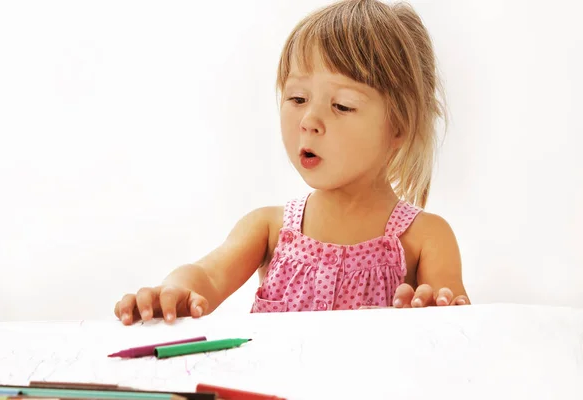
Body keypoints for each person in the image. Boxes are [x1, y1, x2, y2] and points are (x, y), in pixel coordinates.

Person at [114, 0, 470, 325]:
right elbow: (207, 277)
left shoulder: (426, 237)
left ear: (399, 128)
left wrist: (430, 311)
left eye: (342, 105)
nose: (308, 120)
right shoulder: (268, 229)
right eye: (297, 98)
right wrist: (172, 291)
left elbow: (454, 321)